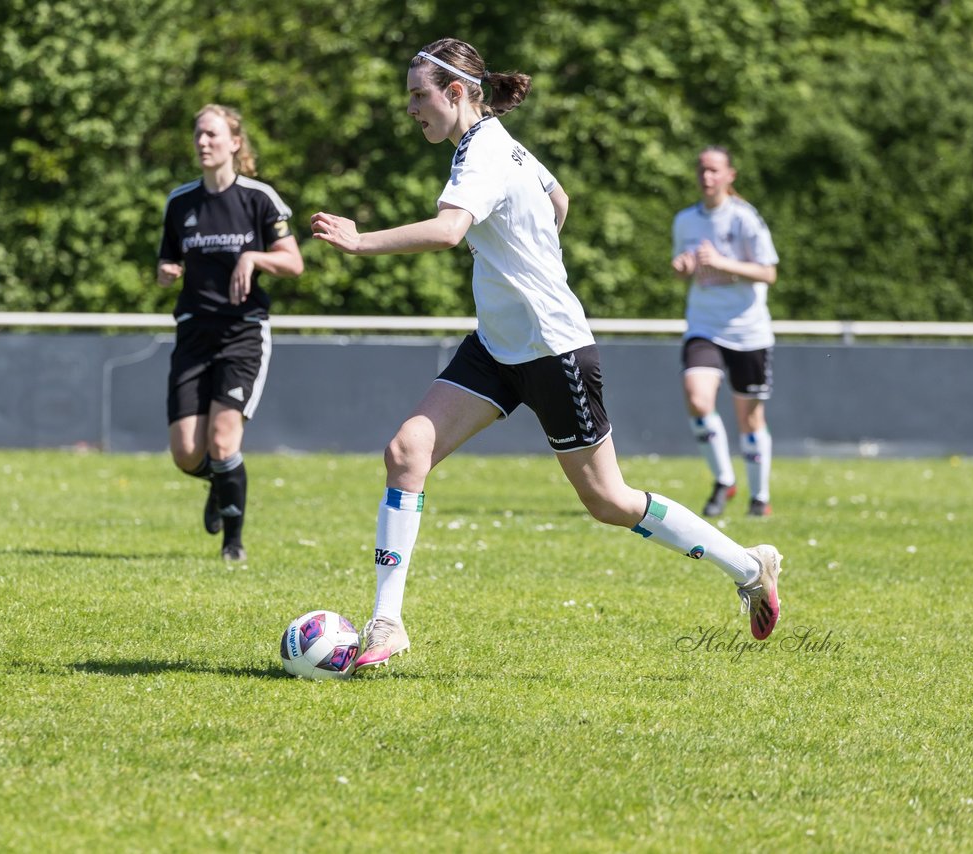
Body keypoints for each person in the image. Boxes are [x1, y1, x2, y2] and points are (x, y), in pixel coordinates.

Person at [311, 39, 784, 672]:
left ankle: (749, 567)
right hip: (497, 346)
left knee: (609, 502)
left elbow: (451, 231)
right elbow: (559, 202)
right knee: (406, 451)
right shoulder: (500, 144)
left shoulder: (482, 152)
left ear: (455, 93)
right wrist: (525, 252)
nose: (411, 109)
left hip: (552, 348)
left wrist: (361, 241)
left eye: (418, 96)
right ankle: (387, 624)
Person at [157, 104, 304, 561]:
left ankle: (233, 546)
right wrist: (167, 270)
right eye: (198, 134)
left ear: (234, 143)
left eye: (213, 135)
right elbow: (169, 258)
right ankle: (222, 482)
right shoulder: (180, 202)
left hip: (242, 334)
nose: (203, 142)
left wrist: (253, 258)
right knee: (186, 453)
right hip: (193, 334)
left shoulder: (259, 199)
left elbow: (293, 263)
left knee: (223, 441)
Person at [671, 146, 780, 519]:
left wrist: (720, 262)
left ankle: (759, 497)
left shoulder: (745, 219)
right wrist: (684, 266)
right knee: (698, 399)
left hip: (749, 331)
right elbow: (686, 265)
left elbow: (768, 272)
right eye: (702, 169)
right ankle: (724, 480)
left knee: (749, 418)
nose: (707, 177)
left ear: (730, 175)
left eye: (715, 170)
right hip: (705, 326)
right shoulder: (685, 220)